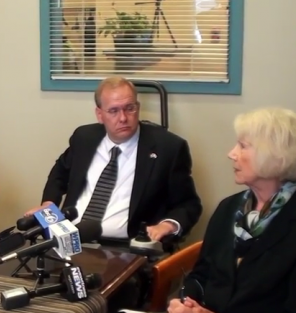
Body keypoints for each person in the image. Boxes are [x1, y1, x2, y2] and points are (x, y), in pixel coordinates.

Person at [167, 107, 296, 313]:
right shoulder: (228, 208)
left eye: (243, 146)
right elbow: (202, 274)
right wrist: (186, 304)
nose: (231, 153)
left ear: (276, 155)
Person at [26, 76, 202, 244]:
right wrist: (49, 204)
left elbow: (188, 204)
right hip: (69, 238)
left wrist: (167, 225)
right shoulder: (84, 138)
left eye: (129, 108)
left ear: (138, 107)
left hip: (125, 247)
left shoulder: (168, 148)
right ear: (99, 114)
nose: (123, 118)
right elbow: (60, 172)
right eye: (113, 111)